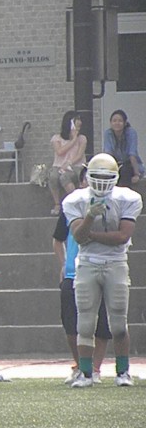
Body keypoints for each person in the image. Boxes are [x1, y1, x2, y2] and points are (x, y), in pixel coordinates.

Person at [62, 153, 142, 388]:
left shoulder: (127, 198)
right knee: (85, 323)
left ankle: (123, 372)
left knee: (118, 323)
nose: (101, 182)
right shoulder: (75, 200)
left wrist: (91, 235)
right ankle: (86, 373)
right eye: (97, 176)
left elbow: (122, 236)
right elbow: (78, 236)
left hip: (115, 262)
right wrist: (89, 216)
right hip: (87, 263)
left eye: (106, 177)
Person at [52, 173, 110, 384]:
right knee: (71, 323)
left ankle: (95, 368)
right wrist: (64, 264)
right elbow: (57, 240)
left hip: (102, 267)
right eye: (89, 178)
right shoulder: (71, 206)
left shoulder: (113, 204)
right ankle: (80, 365)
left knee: (102, 323)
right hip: (74, 272)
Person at [48, 111, 87, 215]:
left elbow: (79, 155)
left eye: (80, 120)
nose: (79, 122)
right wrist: (73, 140)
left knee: (64, 177)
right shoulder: (57, 138)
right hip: (58, 166)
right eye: (76, 120)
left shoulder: (82, 139)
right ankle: (57, 204)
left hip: (76, 166)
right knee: (53, 176)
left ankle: (76, 203)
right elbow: (60, 152)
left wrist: (69, 163)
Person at [103, 109, 143, 188]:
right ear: (110, 123)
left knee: (125, 171)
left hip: (130, 165)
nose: (117, 123)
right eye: (114, 121)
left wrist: (136, 174)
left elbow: (132, 154)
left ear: (125, 123)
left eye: (120, 121)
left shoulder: (131, 133)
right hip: (116, 164)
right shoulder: (108, 133)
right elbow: (108, 154)